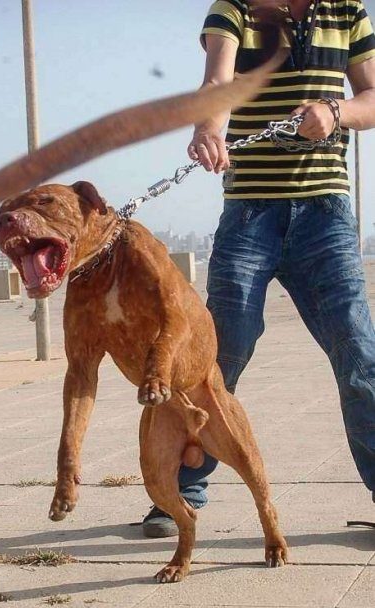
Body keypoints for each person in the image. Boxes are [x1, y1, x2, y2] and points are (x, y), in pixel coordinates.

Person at [143, 0, 375, 538]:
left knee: (360, 353)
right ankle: (177, 493)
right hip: (249, 214)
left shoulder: (347, 12)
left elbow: (372, 97)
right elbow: (217, 82)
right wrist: (208, 128)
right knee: (214, 357)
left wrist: (335, 112)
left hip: (325, 216)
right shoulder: (234, 10)